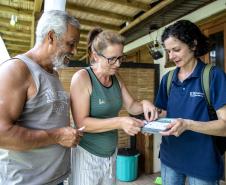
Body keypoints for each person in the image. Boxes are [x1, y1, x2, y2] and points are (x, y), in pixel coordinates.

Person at [0, 10, 82, 185]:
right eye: (71, 44)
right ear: (51, 37)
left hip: (56, 178)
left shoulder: (53, 74)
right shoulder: (16, 70)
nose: (74, 51)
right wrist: (57, 136)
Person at [70, 27, 158, 185]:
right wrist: (120, 122)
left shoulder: (116, 77)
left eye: (120, 58)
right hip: (87, 155)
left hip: (111, 154)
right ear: (96, 56)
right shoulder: (82, 78)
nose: (118, 64)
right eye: (112, 59)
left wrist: (144, 103)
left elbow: (132, 106)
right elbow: (81, 123)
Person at [155, 20, 226, 185]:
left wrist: (187, 124)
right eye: (168, 51)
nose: (171, 56)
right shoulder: (168, 79)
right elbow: (165, 112)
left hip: (203, 163)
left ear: (193, 45)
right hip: (170, 157)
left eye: (176, 49)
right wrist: (151, 119)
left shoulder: (214, 76)